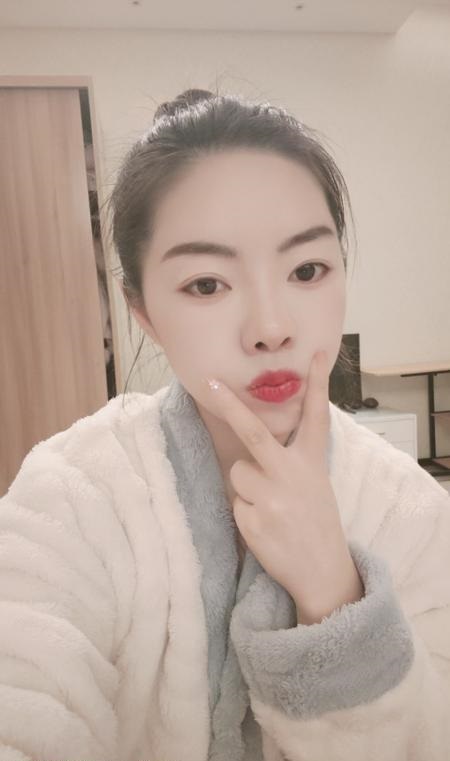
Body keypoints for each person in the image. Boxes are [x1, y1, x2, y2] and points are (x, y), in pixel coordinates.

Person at [1, 88, 449, 761]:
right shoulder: (70, 494)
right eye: (207, 284)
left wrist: (334, 590)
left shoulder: (407, 505)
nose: (271, 327)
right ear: (144, 312)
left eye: (307, 269)